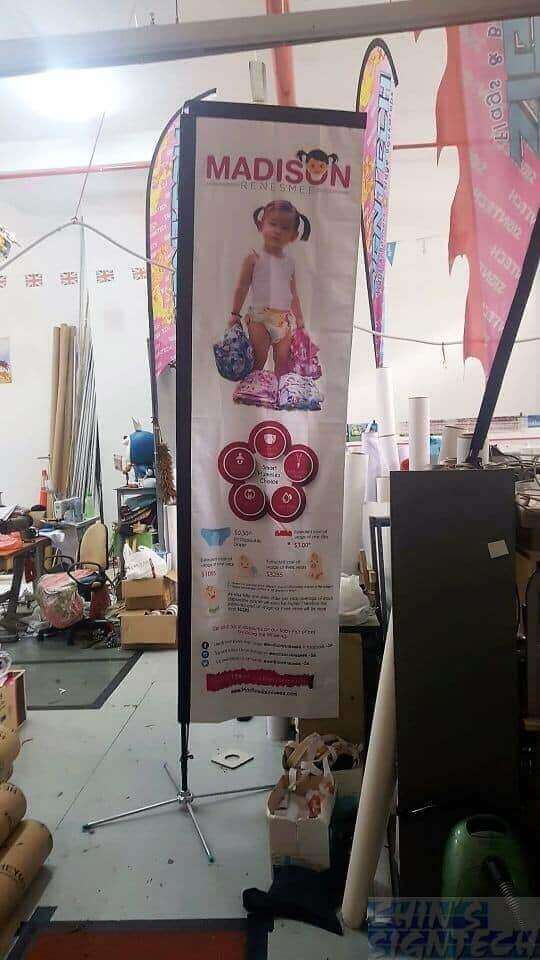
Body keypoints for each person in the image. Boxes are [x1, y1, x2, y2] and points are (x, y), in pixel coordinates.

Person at [228, 201, 311, 378]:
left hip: (283, 320)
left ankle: (279, 390)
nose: (277, 231)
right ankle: (252, 390)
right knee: (259, 359)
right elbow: (242, 287)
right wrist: (235, 314)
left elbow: (293, 294)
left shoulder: (290, 263)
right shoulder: (253, 259)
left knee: (284, 364)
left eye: (285, 228)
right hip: (259, 318)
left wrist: (300, 320)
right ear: (261, 225)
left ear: (293, 236)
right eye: (273, 224)